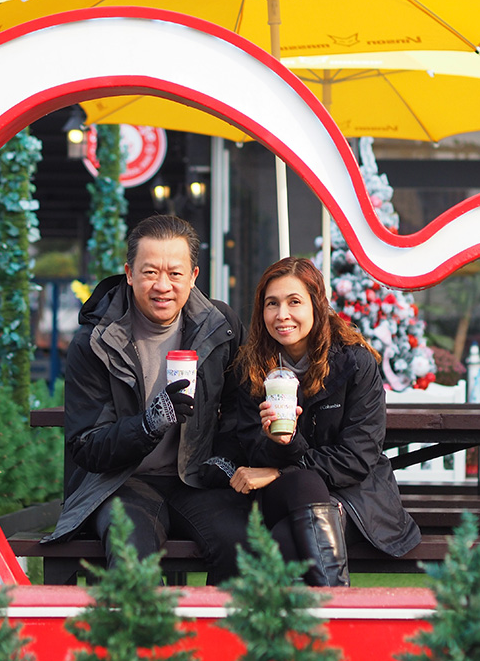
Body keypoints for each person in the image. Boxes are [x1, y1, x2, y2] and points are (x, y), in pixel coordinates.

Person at [43, 215, 249, 584]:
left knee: (240, 546)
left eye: (175, 273)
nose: (163, 286)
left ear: (194, 276)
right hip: (120, 482)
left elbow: (240, 406)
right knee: (131, 554)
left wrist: (224, 459)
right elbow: (86, 445)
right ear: (129, 273)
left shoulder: (221, 326)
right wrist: (147, 425)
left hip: (195, 478)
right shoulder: (96, 340)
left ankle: (222, 625)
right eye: (150, 272)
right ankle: (137, 624)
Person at [219, 257, 421, 586]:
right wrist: (277, 442)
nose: (282, 315)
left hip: (353, 497)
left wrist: (281, 469)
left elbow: (357, 457)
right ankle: (338, 609)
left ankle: (311, 613)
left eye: (294, 302)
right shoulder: (252, 368)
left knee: (285, 540)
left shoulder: (354, 362)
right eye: (272, 304)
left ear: (316, 304)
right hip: (281, 496)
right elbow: (250, 450)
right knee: (303, 485)